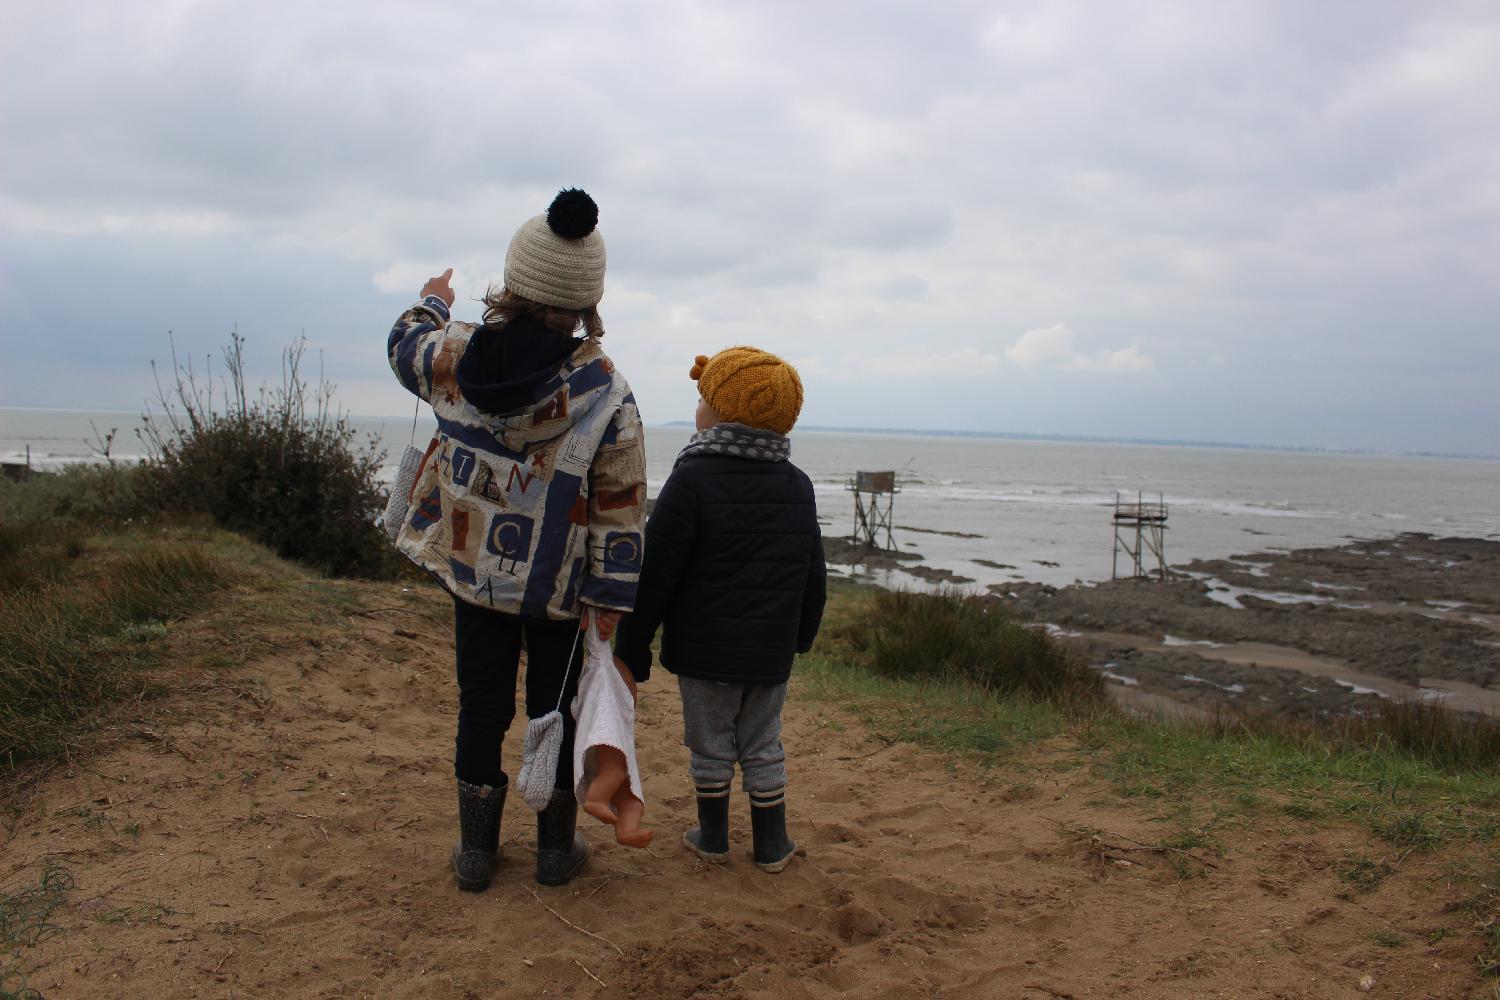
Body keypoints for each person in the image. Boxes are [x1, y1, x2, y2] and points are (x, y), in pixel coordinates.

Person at [385, 188, 646, 890]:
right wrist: (611, 597)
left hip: (474, 578)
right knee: (551, 711)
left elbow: (402, 345)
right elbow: (621, 507)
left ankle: (475, 855)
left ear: (512, 282)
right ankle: (554, 854)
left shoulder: (454, 357)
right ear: (587, 299)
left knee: (481, 705)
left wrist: (433, 301)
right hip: (558, 593)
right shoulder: (604, 388)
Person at [614, 347, 826, 873]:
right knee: (762, 743)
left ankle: (713, 838)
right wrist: (799, 636)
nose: (697, 409)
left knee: (710, 744)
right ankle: (772, 844)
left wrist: (633, 644)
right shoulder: (797, 485)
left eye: (703, 399)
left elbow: (657, 571)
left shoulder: (692, 478)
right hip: (770, 651)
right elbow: (812, 575)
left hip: (706, 652)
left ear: (722, 413)